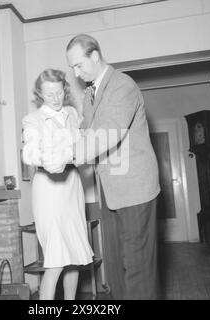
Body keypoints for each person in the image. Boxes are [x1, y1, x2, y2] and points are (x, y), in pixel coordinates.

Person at [45, 34, 161, 299]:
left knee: (137, 266)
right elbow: (85, 132)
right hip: (110, 191)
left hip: (135, 189)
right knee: (117, 267)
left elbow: (108, 133)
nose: (75, 72)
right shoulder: (89, 94)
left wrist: (67, 156)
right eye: (72, 67)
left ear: (95, 56)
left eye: (78, 65)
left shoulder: (122, 85)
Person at [21, 69, 94, 300]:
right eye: (48, 94)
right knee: (56, 261)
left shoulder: (73, 113)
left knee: (73, 259)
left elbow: (84, 144)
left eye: (59, 92)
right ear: (39, 94)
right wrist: (47, 159)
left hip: (72, 185)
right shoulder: (32, 119)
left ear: (65, 89)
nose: (55, 98)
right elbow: (29, 153)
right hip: (48, 188)